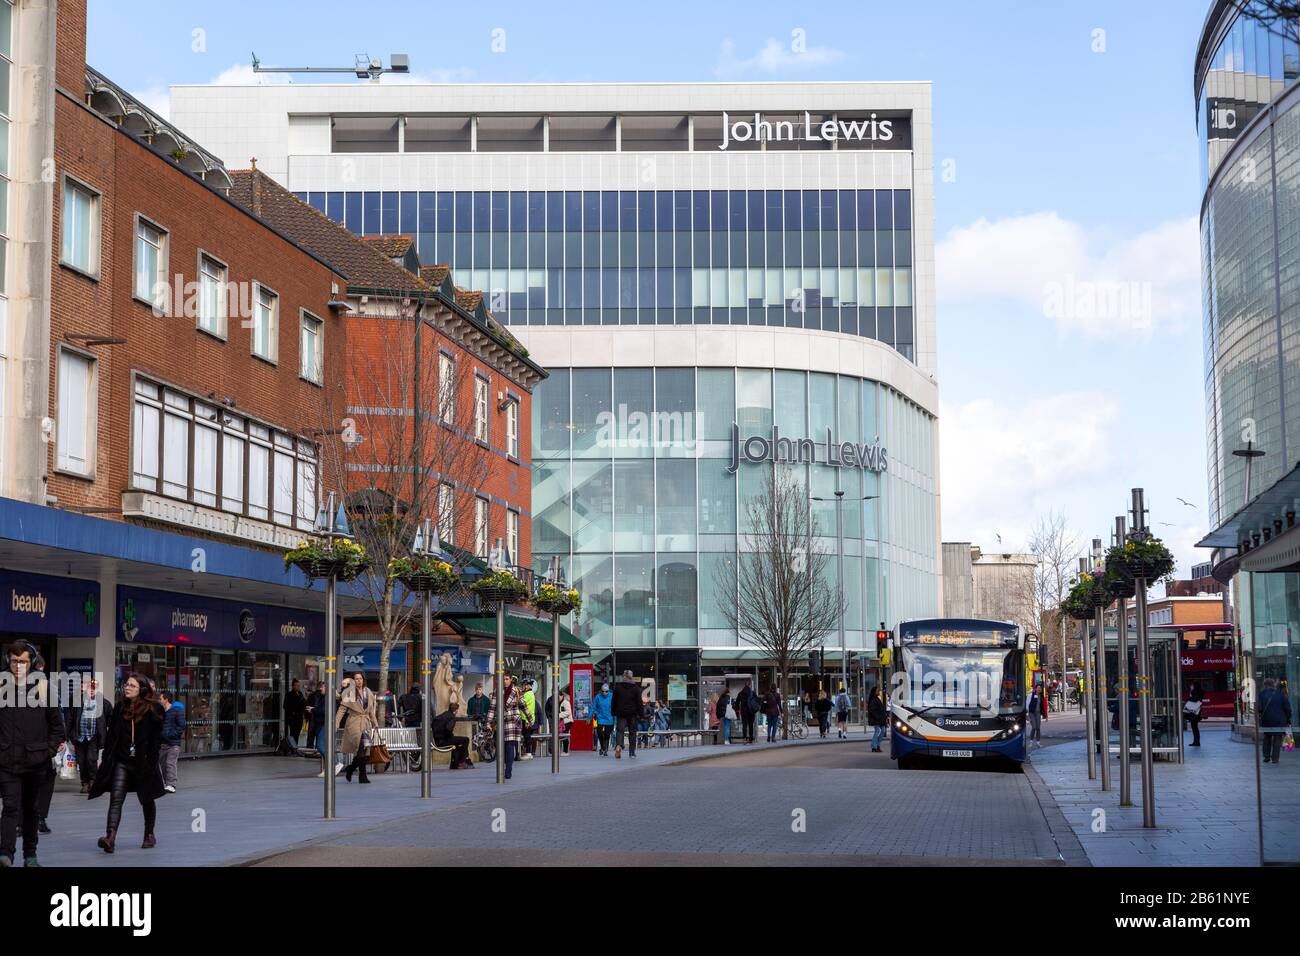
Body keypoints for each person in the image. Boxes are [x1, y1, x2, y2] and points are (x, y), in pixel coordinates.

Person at [0, 642, 64, 866]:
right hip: (6, 759)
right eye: (15, 661)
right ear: (9, 660)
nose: (18, 666)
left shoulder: (44, 688)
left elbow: (58, 727)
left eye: (23, 661)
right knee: (9, 806)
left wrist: (47, 752)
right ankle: (6, 854)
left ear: (32, 663)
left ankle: (30, 855)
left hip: (36, 761)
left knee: (31, 809)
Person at [89, 672, 165, 854]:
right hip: (122, 760)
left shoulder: (154, 709)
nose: (127, 688)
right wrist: (105, 759)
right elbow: (111, 737)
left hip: (143, 761)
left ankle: (149, 834)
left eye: (132, 686)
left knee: (147, 799)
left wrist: (151, 763)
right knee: (116, 798)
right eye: (126, 684)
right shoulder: (120, 708)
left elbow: (156, 742)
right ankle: (110, 837)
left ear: (142, 690)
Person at [66, 677, 111, 795]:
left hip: (93, 737)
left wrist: (109, 735)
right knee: (81, 761)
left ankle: (93, 781)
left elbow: (111, 719)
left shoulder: (104, 703)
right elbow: (70, 718)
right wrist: (68, 734)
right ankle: (84, 783)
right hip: (79, 736)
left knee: (91, 759)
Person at [338, 673, 379, 784]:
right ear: (353, 681)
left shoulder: (368, 691)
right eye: (356, 679)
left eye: (360, 678)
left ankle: (351, 769)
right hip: (354, 723)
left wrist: (375, 723)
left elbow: (370, 710)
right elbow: (342, 709)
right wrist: (336, 723)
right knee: (361, 746)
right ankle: (362, 775)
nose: (359, 681)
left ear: (363, 680)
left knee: (365, 750)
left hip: (365, 724)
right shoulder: (350, 692)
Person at [489, 674, 524, 779]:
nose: (504, 681)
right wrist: (488, 722)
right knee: (501, 747)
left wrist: (530, 719)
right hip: (501, 722)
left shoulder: (516, 690)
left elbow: (523, 705)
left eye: (507, 679)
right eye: (503, 679)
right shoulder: (497, 691)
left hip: (513, 722)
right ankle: (505, 765)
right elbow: (492, 708)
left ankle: (508, 770)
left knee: (510, 746)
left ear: (510, 680)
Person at [1259, 677, 1292, 764]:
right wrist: (1288, 717)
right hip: (1279, 721)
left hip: (1266, 721)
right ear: (1273, 684)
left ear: (1264, 685)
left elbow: (1259, 708)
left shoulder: (1261, 694)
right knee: (1277, 739)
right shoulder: (1280, 694)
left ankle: (1266, 757)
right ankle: (1275, 758)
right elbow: (1287, 708)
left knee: (1267, 738)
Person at [158, 689, 186, 793]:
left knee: (170, 763)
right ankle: (167, 784)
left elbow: (181, 726)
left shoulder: (177, 710)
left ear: (166, 699)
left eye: (160, 699)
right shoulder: (161, 712)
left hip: (174, 743)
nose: (159, 701)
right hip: (163, 743)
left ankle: (171, 784)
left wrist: (171, 735)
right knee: (163, 764)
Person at [432, 701, 472, 768]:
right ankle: (462, 761)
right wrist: (451, 736)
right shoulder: (452, 717)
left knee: (457, 743)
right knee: (466, 740)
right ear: (456, 710)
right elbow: (448, 729)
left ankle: (455, 763)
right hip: (444, 741)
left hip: (437, 740)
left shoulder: (444, 714)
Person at [612, 670, 642, 759]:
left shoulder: (618, 687)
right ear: (631, 677)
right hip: (632, 714)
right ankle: (632, 752)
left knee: (620, 731)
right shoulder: (636, 688)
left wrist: (613, 712)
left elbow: (614, 701)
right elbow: (639, 703)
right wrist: (641, 714)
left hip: (620, 713)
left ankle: (618, 746)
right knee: (632, 732)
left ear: (624, 676)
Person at [592, 682, 615, 755]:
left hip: (609, 718)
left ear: (608, 691)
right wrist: (590, 716)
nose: (604, 693)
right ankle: (603, 747)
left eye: (606, 691)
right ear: (601, 691)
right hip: (600, 717)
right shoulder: (598, 697)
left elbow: (616, 706)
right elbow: (593, 706)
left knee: (607, 734)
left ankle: (605, 749)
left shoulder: (612, 696)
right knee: (599, 733)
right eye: (603, 691)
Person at [284, 679, 306, 748]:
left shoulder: (300, 694)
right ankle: (293, 747)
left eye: (299, 686)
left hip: (299, 718)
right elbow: (285, 706)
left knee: (297, 733)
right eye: (296, 685)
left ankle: (295, 747)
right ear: (293, 686)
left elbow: (303, 704)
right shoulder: (289, 695)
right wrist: (292, 713)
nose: (298, 687)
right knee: (293, 733)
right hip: (292, 718)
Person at [519, 678, 537, 760]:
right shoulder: (529, 693)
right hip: (525, 718)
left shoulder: (528, 694)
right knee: (526, 736)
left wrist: (526, 721)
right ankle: (527, 752)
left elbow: (522, 703)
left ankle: (528, 753)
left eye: (522, 685)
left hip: (526, 719)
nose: (521, 687)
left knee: (527, 736)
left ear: (526, 686)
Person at [737, 679, 760, 744]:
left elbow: (737, 703)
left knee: (744, 725)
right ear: (750, 685)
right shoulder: (752, 693)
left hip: (743, 711)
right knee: (750, 725)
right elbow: (757, 700)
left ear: (744, 685)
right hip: (751, 711)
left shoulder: (740, 693)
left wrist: (737, 709)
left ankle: (744, 738)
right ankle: (750, 739)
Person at [867, 685, 887, 752]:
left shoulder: (877, 698)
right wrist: (878, 717)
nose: (879, 691)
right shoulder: (873, 699)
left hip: (880, 719)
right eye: (877, 691)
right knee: (878, 731)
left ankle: (876, 745)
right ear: (874, 692)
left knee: (882, 730)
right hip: (876, 719)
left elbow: (881, 709)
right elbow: (872, 710)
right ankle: (874, 746)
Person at [558, 687, 573, 754]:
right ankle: (564, 750)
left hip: (567, 721)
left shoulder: (565, 702)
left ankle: (565, 751)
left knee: (565, 735)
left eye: (559, 697)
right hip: (563, 721)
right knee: (563, 735)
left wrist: (559, 715)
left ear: (562, 696)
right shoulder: (560, 702)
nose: (558, 698)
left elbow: (568, 712)